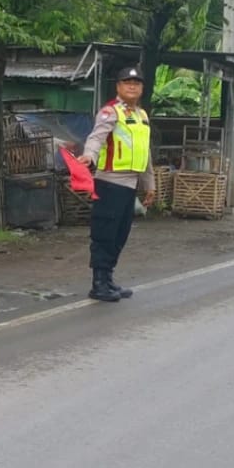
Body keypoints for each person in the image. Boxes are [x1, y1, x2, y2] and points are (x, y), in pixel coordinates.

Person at [76, 65, 155, 302]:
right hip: (110, 182)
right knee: (105, 233)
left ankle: (108, 279)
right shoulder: (110, 112)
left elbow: (145, 153)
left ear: (142, 88)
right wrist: (89, 155)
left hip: (130, 185)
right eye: (127, 83)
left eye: (137, 83)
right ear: (118, 86)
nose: (132, 86)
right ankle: (99, 283)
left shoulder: (141, 116)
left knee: (120, 234)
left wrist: (149, 184)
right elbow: (97, 137)